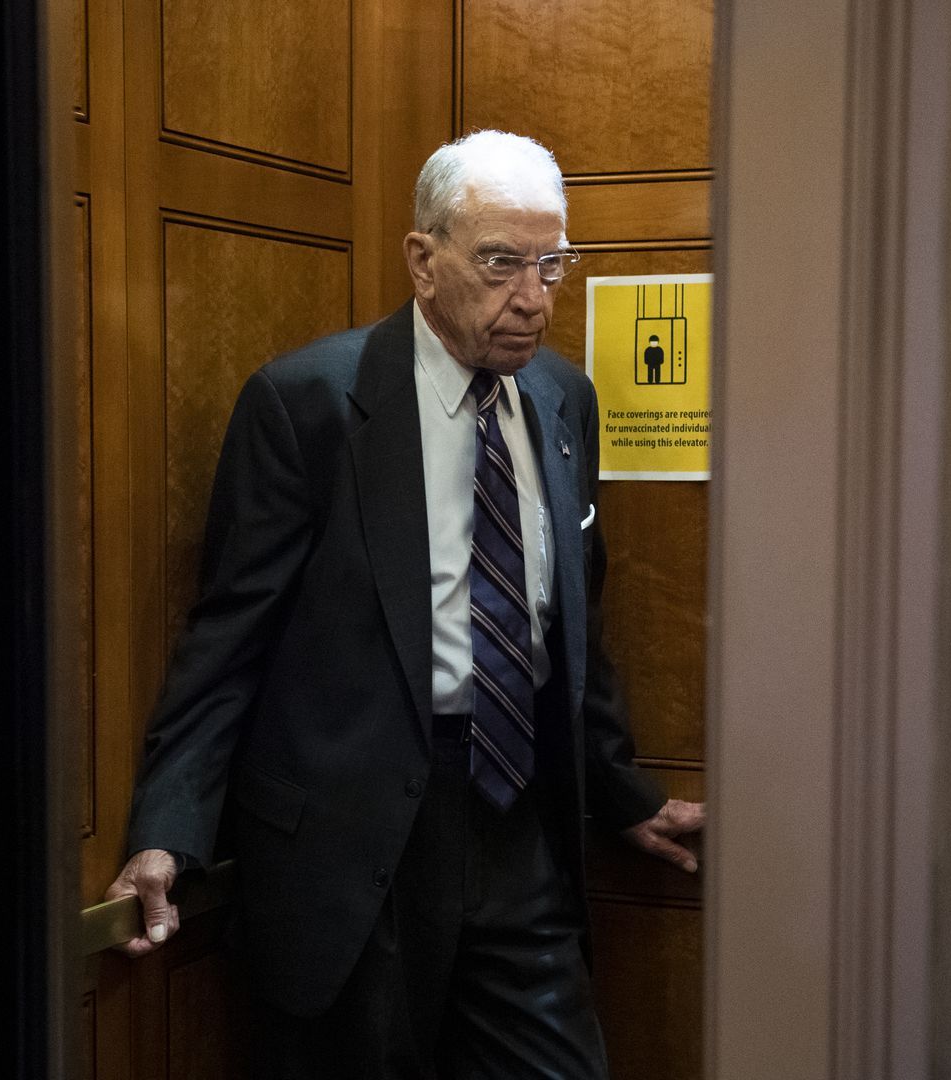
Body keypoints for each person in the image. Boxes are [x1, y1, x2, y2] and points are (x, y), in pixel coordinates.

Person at [104, 129, 706, 1079]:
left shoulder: (561, 399)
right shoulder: (308, 403)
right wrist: (167, 828)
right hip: (354, 850)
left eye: (552, 265)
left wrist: (619, 787)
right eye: (503, 264)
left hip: (518, 827)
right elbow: (229, 639)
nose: (535, 299)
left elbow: (567, 616)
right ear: (423, 261)